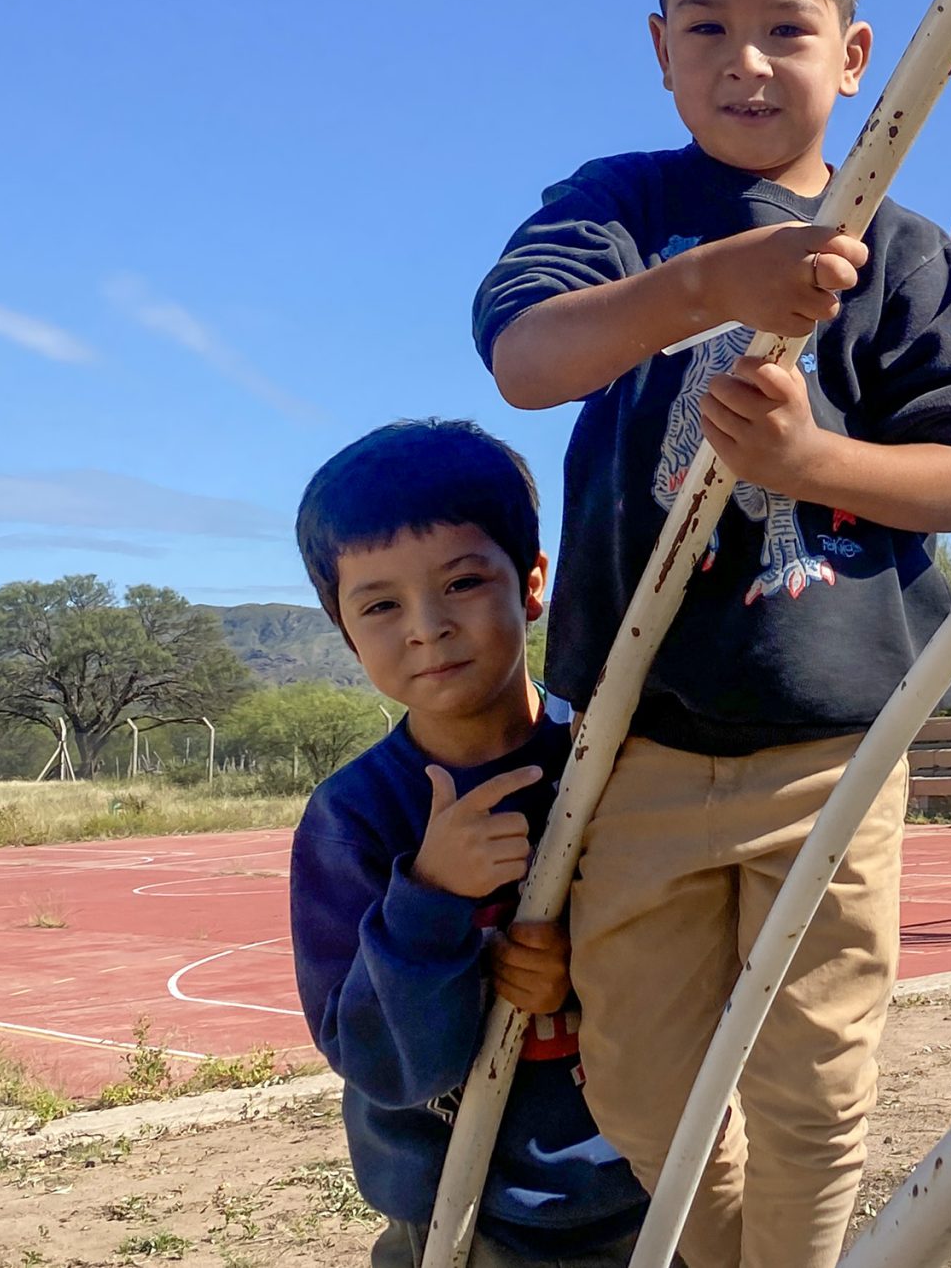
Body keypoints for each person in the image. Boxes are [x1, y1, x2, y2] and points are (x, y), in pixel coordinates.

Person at [472, 0, 951, 1268]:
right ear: (659, 47)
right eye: (705, 26)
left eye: (785, 27)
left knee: (813, 1081)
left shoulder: (904, 255)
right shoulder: (623, 207)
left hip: (829, 746)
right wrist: (711, 283)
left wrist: (811, 463)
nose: (745, 61)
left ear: (855, 51)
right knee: (643, 1083)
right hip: (634, 742)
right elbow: (525, 358)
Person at [290, 418, 649, 1267]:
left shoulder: (619, 760)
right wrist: (429, 899)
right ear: (346, 629)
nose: (427, 626)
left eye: (461, 581)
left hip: (647, 1193)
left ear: (532, 584)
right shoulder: (354, 817)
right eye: (381, 604)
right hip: (454, 1222)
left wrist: (583, 976)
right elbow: (378, 1060)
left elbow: (703, 956)